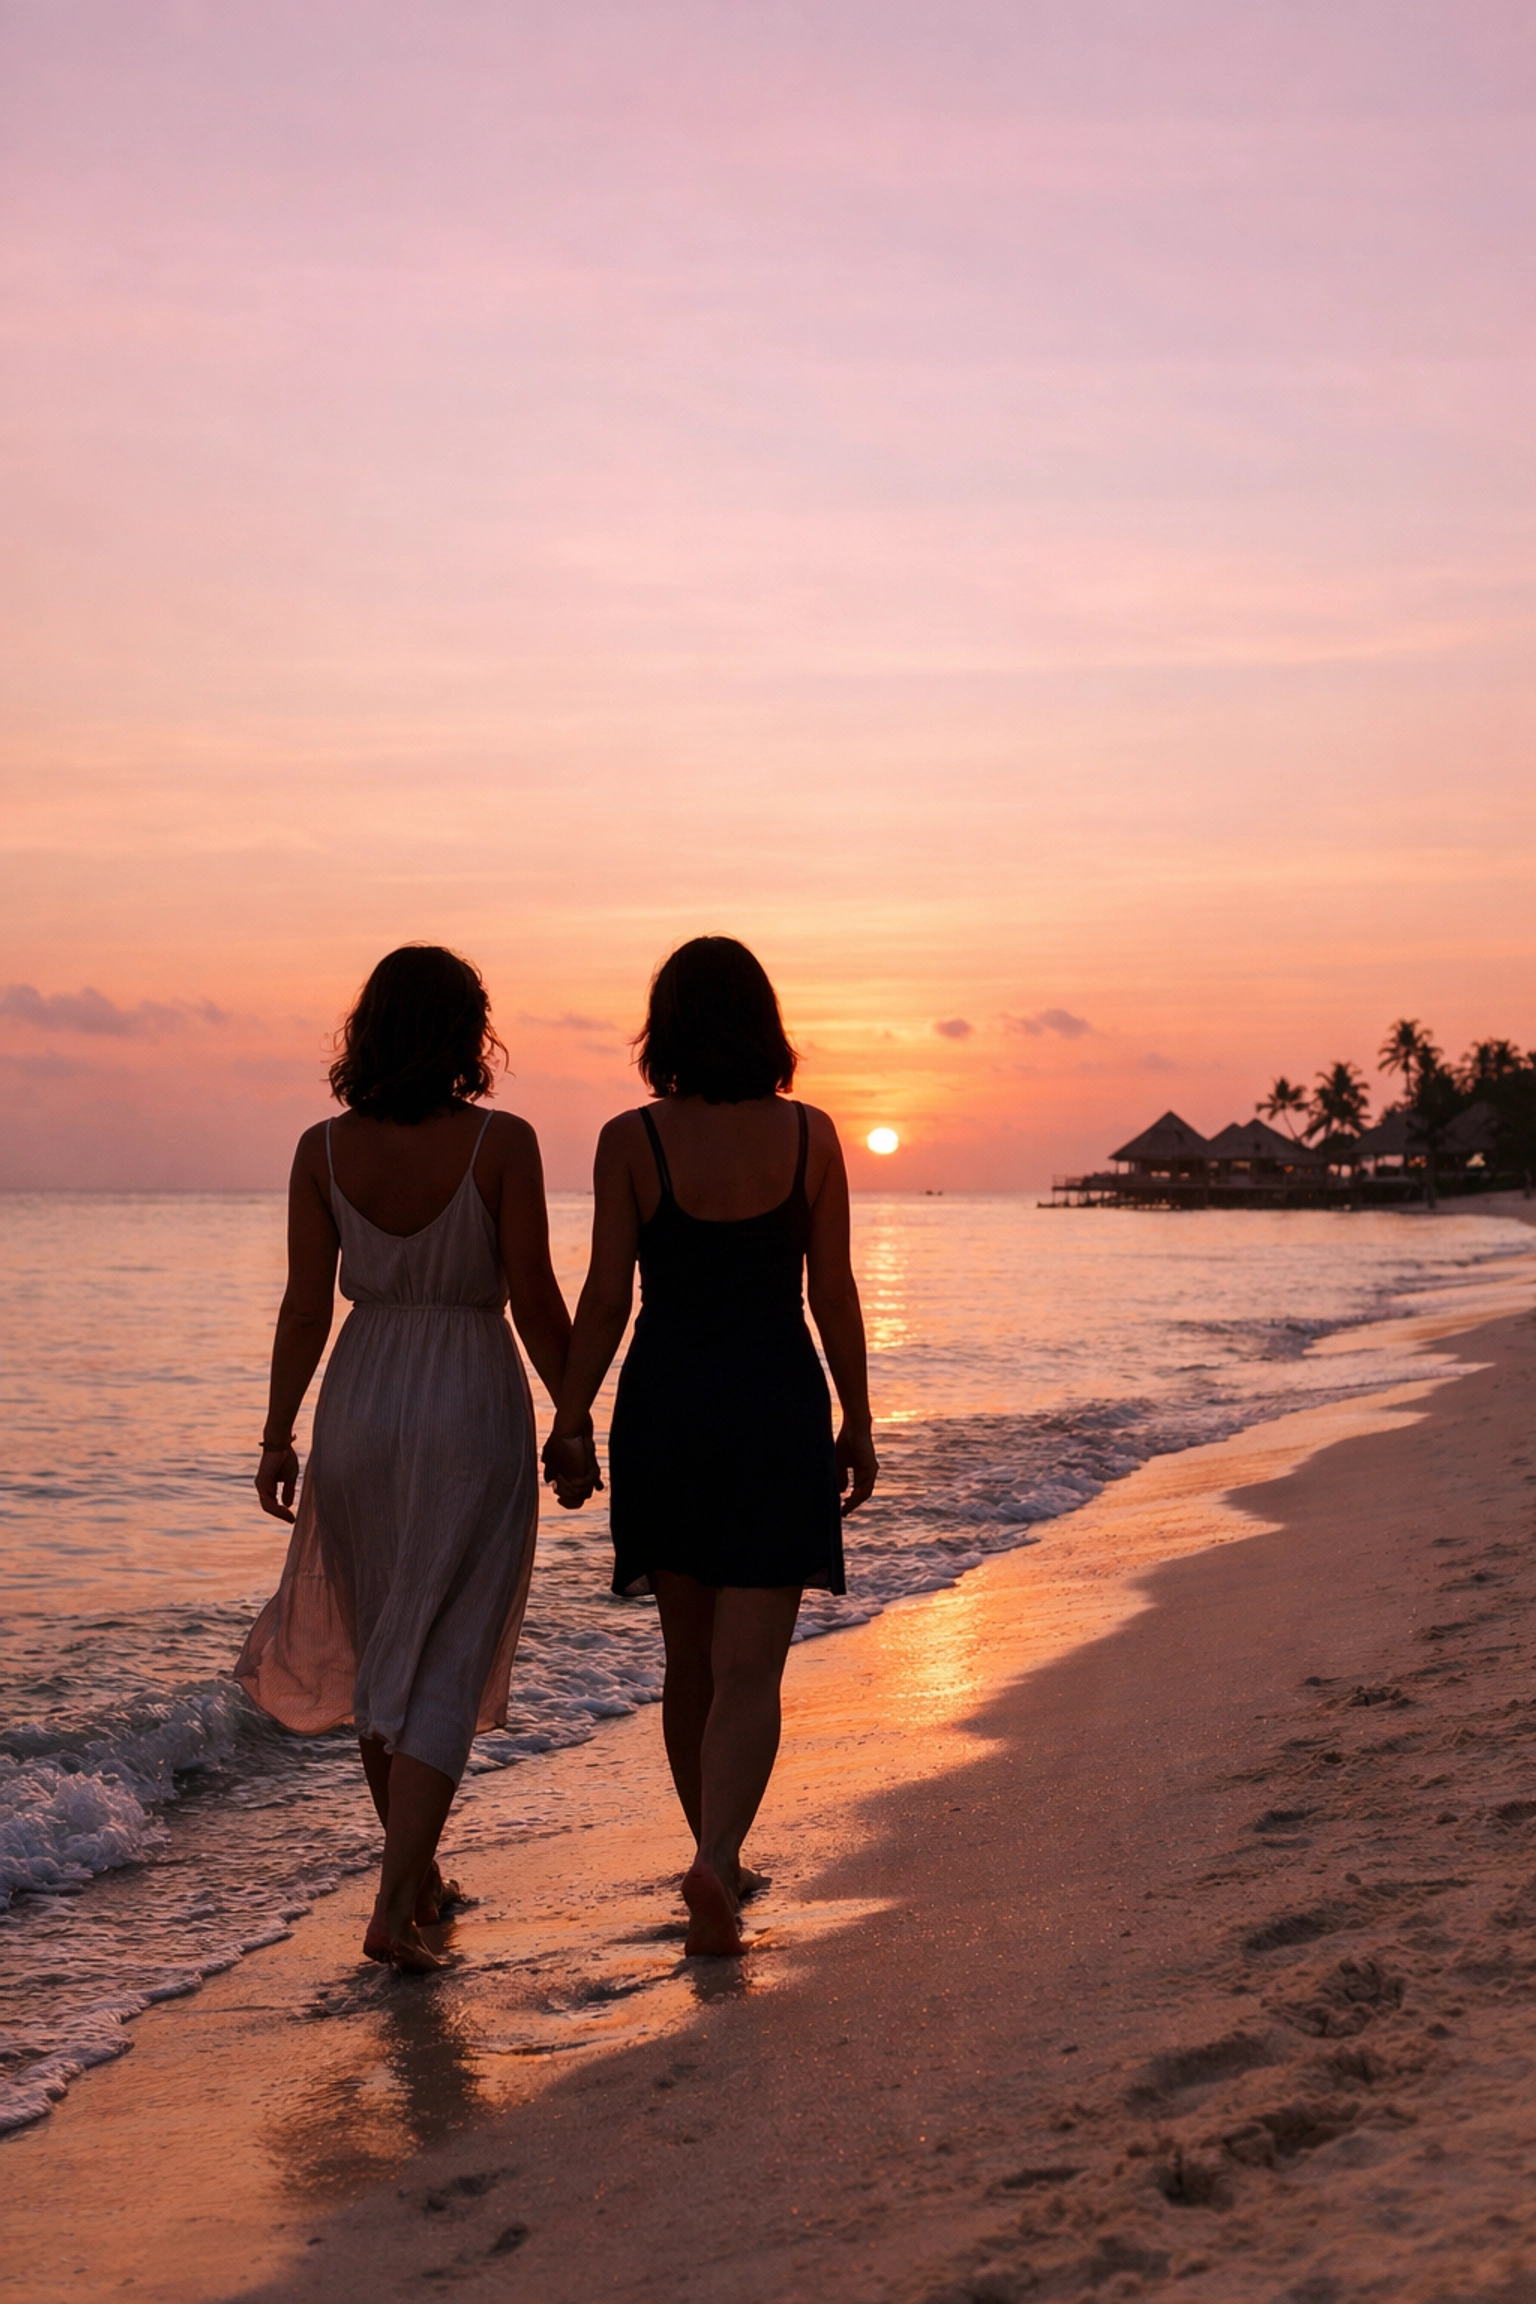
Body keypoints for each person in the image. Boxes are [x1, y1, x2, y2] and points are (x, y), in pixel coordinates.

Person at [236, 946, 574, 1974]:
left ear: (368, 1030)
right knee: (447, 1646)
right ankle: (393, 1899)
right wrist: (576, 1415)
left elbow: (304, 1308)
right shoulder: (502, 1143)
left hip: (361, 1395)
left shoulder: (322, 1150)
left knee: (387, 1639)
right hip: (469, 1394)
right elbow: (535, 1295)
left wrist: (277, 1433)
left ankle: (417, 1877)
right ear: (470, 1035)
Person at [544, 936, 877, 1956]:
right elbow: (832, 1296)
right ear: (764, 1024)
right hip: (775, 1407)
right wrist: (857, 1418)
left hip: (667, 1409)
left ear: (668, 1029)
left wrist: (567, 1414)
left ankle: (712, 1857)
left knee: (685, 1662)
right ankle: (717, 1860)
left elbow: (604, 1296)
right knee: (749, 1673)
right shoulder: (815, 1138)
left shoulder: (630, 1140)